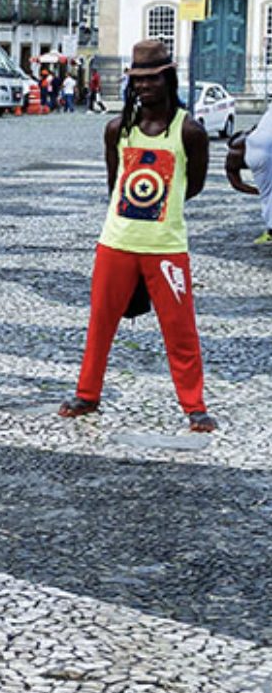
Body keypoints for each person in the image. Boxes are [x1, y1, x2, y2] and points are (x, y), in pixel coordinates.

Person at [58, 40, 215, 432]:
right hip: (116, 243)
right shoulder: (118, 129)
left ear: (168, 79)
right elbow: (115, 183)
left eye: (152, 78)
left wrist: (165, 207)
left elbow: (193, 185)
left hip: (166, 247)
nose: (144, 86)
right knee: (100, 323)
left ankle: (194, 405)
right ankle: (87, 394)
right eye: (137, 79)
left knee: (180, 329)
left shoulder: (189, 131)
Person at [226, 103, 272, 245]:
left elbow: (235, 181)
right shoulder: (255, 133)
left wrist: (256, 191)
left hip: (259, 153)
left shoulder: (238, 150)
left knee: (268, 195)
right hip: (262, 150)